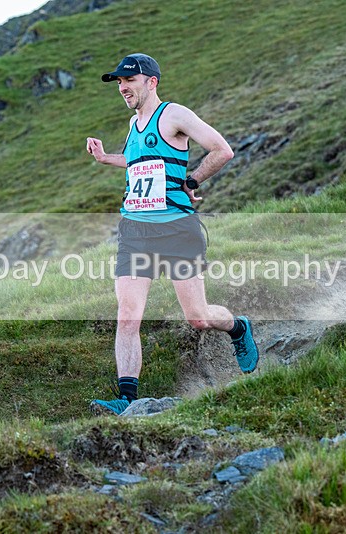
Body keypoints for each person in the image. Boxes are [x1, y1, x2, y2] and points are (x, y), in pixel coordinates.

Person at [85, 53, 259, 416]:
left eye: (128, 81)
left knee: (197, 316)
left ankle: (238, 328)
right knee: (128, 314)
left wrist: (191, 180)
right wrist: (106, 159)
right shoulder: (135, 125)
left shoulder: (174, 114)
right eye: (118, 83)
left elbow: (222, 150)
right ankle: (128, 400)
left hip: (177, 229)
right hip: (135, 230)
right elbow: (138, 163)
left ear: (151, 82)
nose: (122, 88)